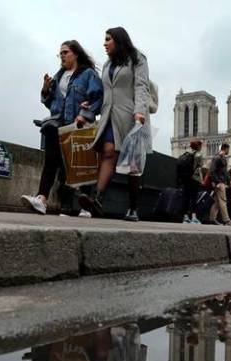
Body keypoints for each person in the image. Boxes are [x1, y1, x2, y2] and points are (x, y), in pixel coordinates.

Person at [21, 40, 103, 216]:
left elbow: (98, 99)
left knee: (75, 166)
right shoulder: (59, 76)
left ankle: (80, 207)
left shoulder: (88, 74)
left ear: (76, 54)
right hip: (58, 123)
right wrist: (45, 90)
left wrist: (85, 114)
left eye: (65, 52)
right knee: (51, 161)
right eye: (61, 53)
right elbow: (51, 104)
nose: (62, 56)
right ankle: (42, 199)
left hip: (78, 124)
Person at [79, 27, 152, 222]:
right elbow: (105, 91)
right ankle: (97, 198)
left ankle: (133, 207)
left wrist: (139, 111)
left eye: (108, 39)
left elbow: (141, 85)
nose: (104, 43)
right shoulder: (107, 65)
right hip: (109, 115)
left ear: (119, 40)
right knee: (108, 151)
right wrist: (90, 104)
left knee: (133, 164)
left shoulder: (137, 58)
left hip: (130, 115)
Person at [208, 143, 231, 226]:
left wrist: (229, 182)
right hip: (220, 183)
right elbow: (212, 170)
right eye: (229, 149)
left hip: (221, 182)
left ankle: (212, 219)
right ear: (226, 149)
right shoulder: (218, 157)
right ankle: (227, 220)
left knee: (217, 202)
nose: (229, 151)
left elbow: (224, 172)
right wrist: (217, 182)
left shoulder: (221, 157)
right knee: (223, 201)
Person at [178, 140, 204, 224]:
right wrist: (202, 180)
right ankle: (193, 217)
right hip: (194, 179)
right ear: (199, 147)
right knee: (194, 198)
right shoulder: (199, 155)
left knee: (186, 197)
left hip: (186, 179)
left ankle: (185, 217)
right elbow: (199, 168)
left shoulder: (185, 154)